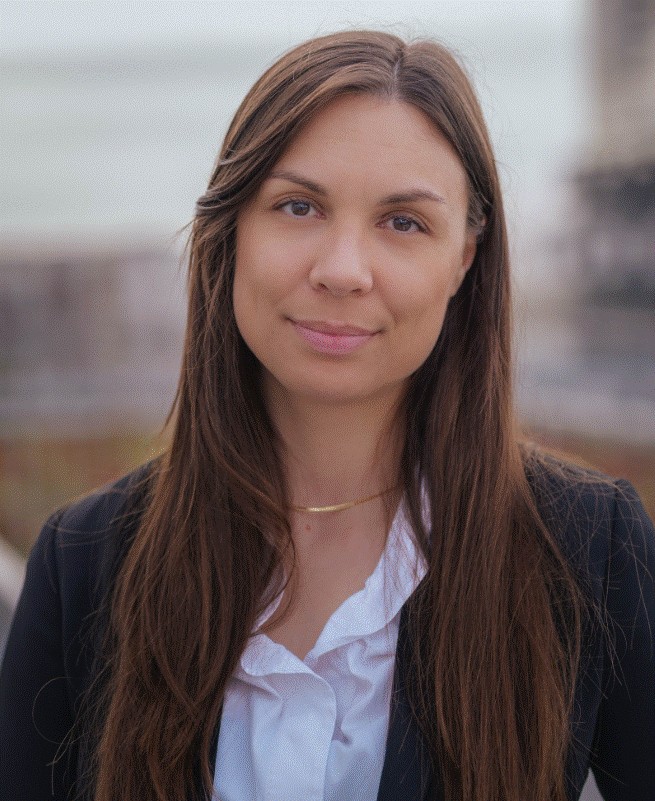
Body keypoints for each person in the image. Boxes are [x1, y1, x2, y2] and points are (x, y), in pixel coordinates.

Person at [0, 29, 653, 801]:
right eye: (298, 206)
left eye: (403, 221)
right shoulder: (85, 563)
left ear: (465, 257)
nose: (342, 269)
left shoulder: (590, 550)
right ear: (231, 229)